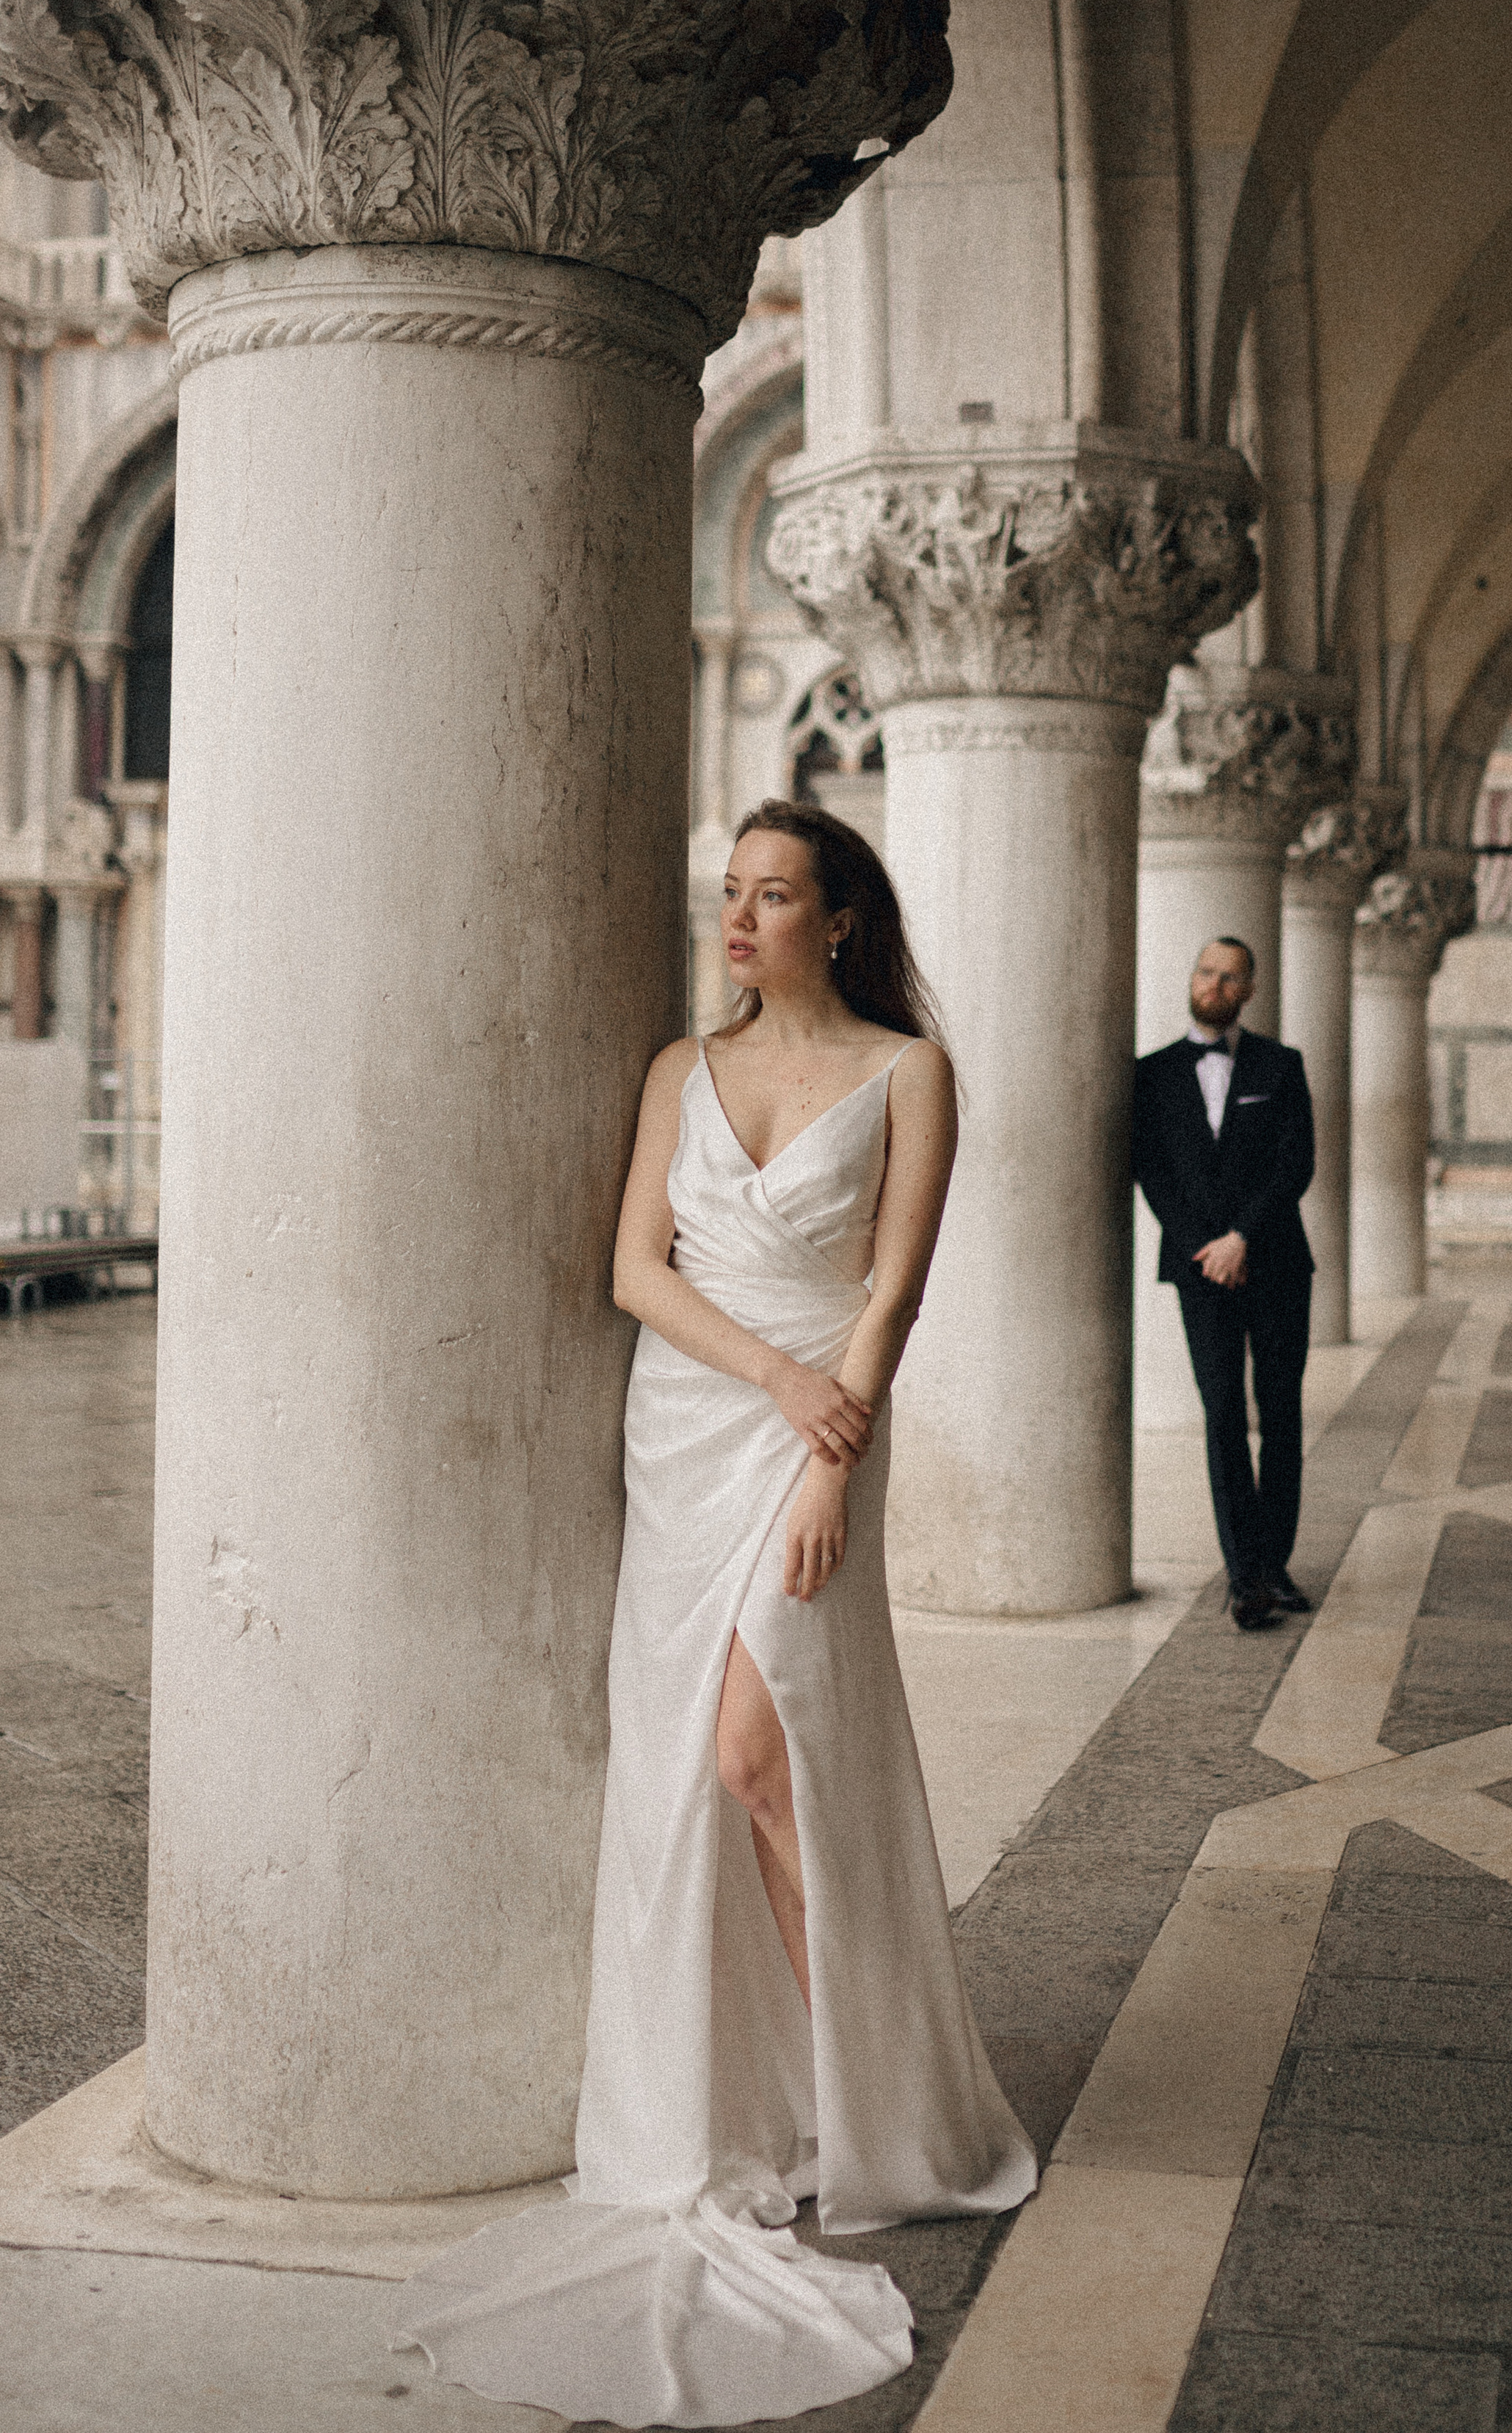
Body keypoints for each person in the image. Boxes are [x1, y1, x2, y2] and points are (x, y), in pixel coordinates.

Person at [393, 801, 1035, 2426]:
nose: (736, 919)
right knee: (694, 1768)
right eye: (730, 894)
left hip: (819, 1447)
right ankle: (755, 2099)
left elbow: (891, 1285)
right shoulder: (681, 1067)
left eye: (771, 895)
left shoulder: (909, 1071)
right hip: (693, 1424)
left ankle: (879, 2099)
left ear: (839, 916)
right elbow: (634, 1270)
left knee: (769, 1750)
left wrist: (836, 1444)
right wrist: (774, 1381)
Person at [1132, 936, 1316, 1632]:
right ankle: (1245, 1576)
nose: (1213, 984)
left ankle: (1276, 1562)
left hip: (1275, 1261)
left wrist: (1244, 1237)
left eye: (1229, 976)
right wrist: (1206, 1248)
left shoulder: (1281, 1064)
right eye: (1205, 971)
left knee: (1282, 1413)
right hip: (1200, 1267)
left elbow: (1294, 1164)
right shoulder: (1151, 1074)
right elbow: (1153, 1173)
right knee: (1222, 1416)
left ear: (1249, 989)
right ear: (1192, 978)